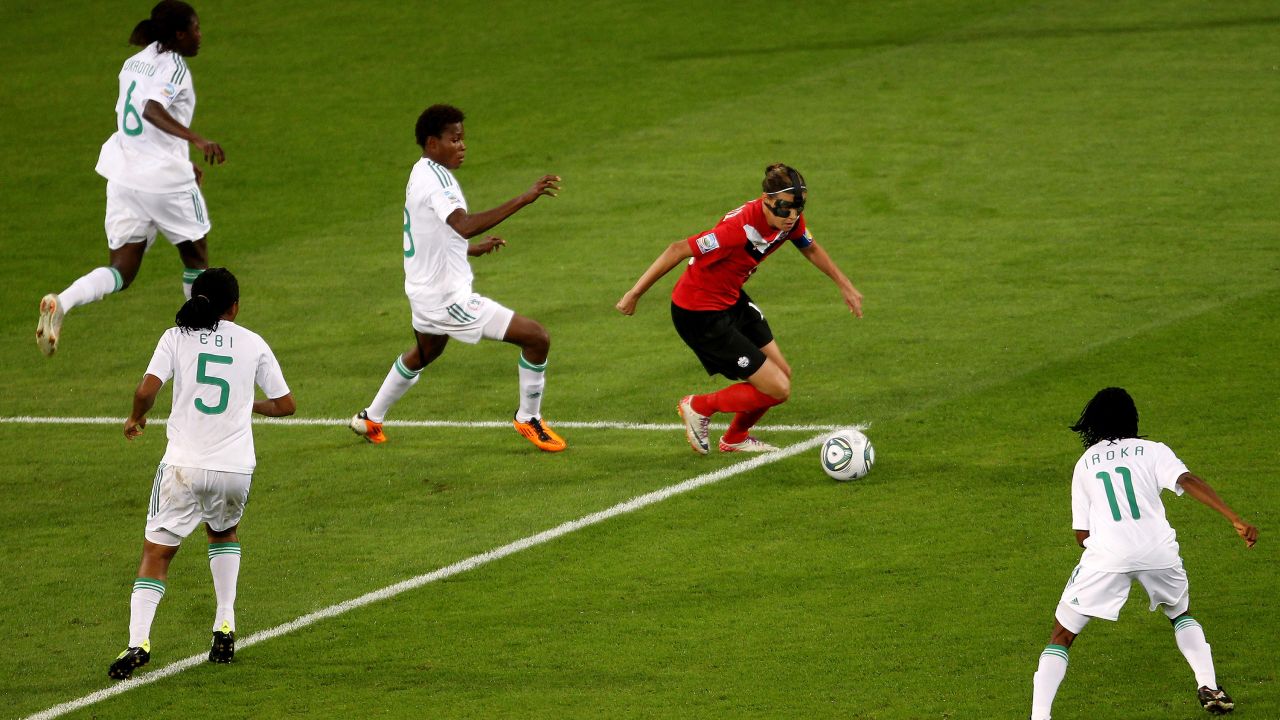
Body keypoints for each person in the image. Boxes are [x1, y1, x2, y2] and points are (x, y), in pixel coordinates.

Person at [109, 268, 294, 680]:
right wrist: (247, 406)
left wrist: (136, 418)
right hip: (235, 470)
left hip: (183, 467)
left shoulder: (175, 337)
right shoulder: (253, 342)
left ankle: (138, 642)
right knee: (223, 533)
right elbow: (285, 405)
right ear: (234, 307)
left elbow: (146, 390)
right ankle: (224, 625)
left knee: (156, 554)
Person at [349, 103, 567, 452]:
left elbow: (431, 234)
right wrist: (525, 198)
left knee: (426, 352)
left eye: (463, 139)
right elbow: (462, 224)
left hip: (422, 291)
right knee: (537, 338)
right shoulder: (436, 182)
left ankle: (370, 417)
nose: (462, 146)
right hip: (447, 298)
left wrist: (470, 249)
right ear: (432, 142)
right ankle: (529, 418)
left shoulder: (421, 172)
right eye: (455, 139)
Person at [1029, 387, 1257, 718]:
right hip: (1158, 552)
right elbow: (1187, 479)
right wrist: (1233, 517)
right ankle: (1209, 685)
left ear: (1093, 422)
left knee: (1062, 634)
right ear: (1132, 418)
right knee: (1180, 613)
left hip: (1108, 556)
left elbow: (1082, 535)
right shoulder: (1153, 451)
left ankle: (1039, 716)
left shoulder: (1085, 463)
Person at [616, 164, 862, 454]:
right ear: (766, 199)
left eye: (798, 207)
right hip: (699, 312)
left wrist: (844, 284)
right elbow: (677, 249)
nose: (792, 216)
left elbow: (809, 247)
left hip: (731, 298)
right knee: (778, 388)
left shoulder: (789, 219)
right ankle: (698, 406)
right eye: (785, 209)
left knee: (782, 374)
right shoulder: (736, 230)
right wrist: (634, 294)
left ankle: (734, 438)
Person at [36, 0, 225, 358]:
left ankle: (63, 301)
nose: (201, 36)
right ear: (179, 34)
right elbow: (151, 109)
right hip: (163, 179)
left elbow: (136, 116)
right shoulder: (175, 67)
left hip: (123, 173)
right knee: (196, 257)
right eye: (196, 29)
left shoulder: (134, 62)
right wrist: (196, 140)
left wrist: (181, 157)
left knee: (122, 268)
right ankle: (200, 343)